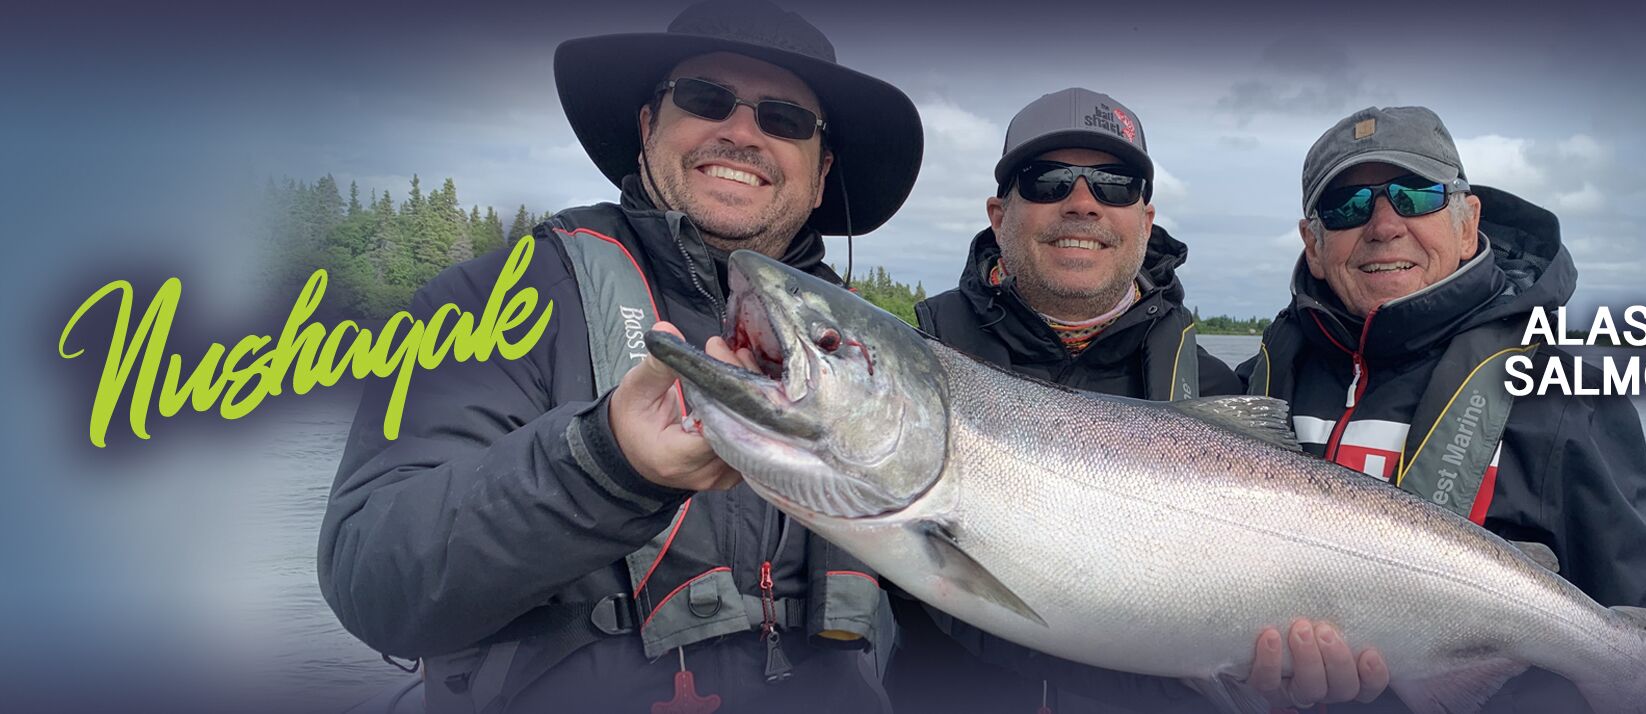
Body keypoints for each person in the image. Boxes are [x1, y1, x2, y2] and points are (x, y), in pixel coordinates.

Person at [317, 2, 924, 711]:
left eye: (785, 120)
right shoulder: (494, 300)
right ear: (648, 127)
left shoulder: (881, 362)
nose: (741, 132)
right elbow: (373, 582)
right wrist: (605, 465)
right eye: (706, 99)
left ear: (821, 173)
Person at [898, 88, 1385, 714]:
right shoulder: (911, 368)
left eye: (1115, 185)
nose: (1082, 204)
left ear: (1145, 221)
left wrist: (1288, 684)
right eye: (1048, 180)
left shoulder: (1218, 391)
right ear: (998, 214)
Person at [1238, 106, 1646, 711]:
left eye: (1414, 196)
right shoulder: (1253, 387)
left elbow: (1645, 607)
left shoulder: (1567, 401)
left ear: (1468, 220)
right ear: (1312, 245)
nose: (1383, 224)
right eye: (1346, 207)